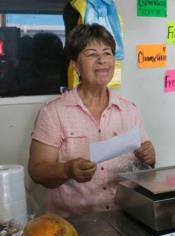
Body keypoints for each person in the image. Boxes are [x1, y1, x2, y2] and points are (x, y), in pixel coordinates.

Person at [28, 24, 155, 216]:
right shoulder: (53, 112)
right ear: (75, 64)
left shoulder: (130, 110)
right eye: (91, 54)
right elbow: (37, 171)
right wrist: (67, 170)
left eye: (107, 53)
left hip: (124, 215)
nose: (102, 60)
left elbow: (143, 168)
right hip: (73, 221)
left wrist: (150, 157)